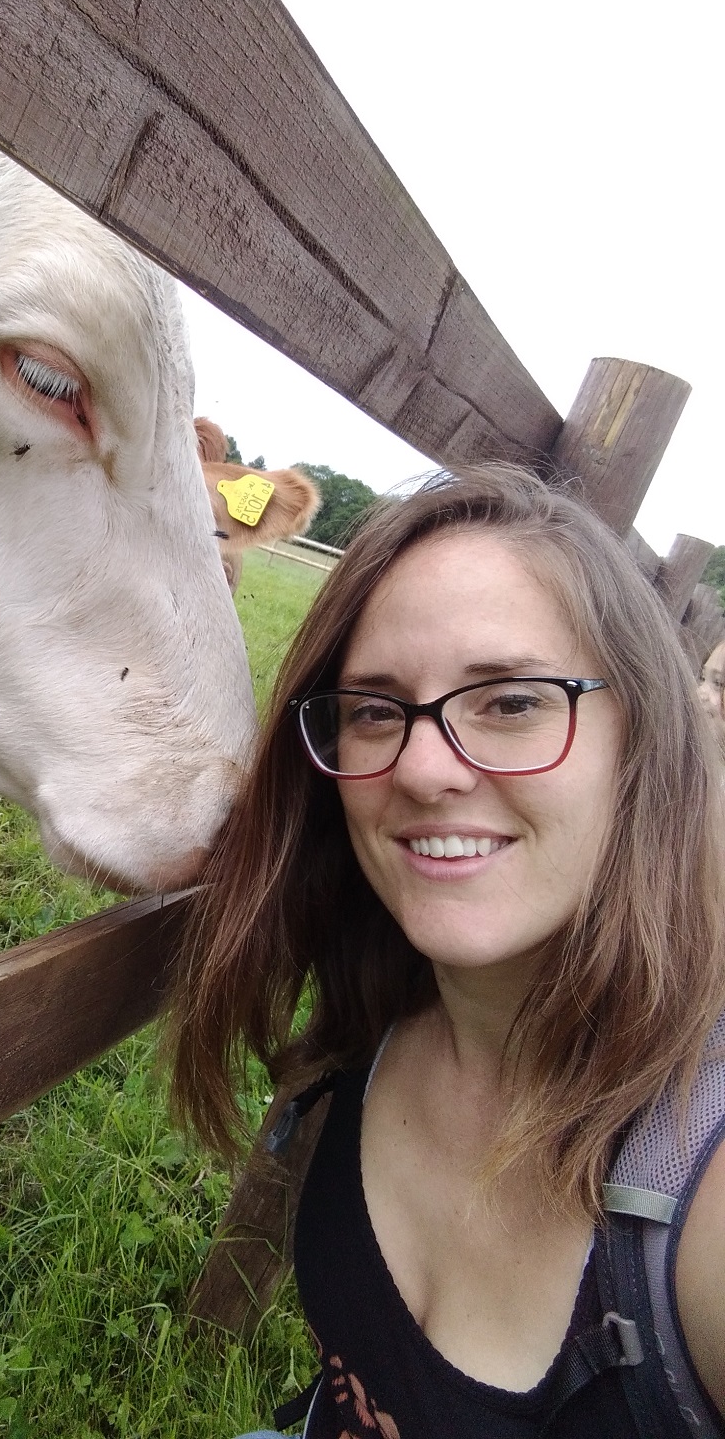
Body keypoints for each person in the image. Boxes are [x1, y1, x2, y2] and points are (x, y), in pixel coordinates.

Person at [167, 464, 725, 1439]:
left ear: (642, 738)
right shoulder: (374, 1004)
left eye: (510, 702)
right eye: (376, 709)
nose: (424, 769)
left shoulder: (702, 1196)